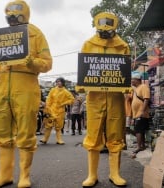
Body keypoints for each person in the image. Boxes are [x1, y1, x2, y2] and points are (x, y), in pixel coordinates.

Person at [0, 0, 52, 187]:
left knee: (25, 130)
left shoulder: (35, 33)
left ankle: (24, 175)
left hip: (26, 85)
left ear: (25, 13)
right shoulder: (2, 36)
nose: (11, 17)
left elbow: (47, 63)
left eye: (16, 14)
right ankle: (5, 175)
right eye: (9, 14)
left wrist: (32, 62)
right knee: (1, 129)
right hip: (2, 86)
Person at [81, 12, 130, 187]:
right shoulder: (88, 44)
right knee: (93, 134)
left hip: (115, 97)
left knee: (116, 134)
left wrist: (126, 83)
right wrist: (81, 84)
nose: (104, 33)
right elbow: (84, 67)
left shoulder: (122, 46)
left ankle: (115, 174)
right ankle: (91, 175)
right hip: (95, 97)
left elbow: (126, 69)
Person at [39, 77, 74, 145]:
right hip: (52, 110)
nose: (58, 83)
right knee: (49, 124)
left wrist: (63, 103)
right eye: (57, 81)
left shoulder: (66, 91)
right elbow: (49, 99)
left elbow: (72, 99)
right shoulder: (53, 90)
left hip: (60, 110)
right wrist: (47, 107)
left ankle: (59, 139)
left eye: (59, 81)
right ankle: (45, 139)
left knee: (58, 126)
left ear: (62, 82)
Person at [130, 71, 150, 157]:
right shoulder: (136, 89)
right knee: (139, 130)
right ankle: (142, 145)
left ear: (137, 80)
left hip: (141, 113)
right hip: (137, 114)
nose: (131, 81)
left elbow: (146, 99)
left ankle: (139, 146)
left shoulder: (143, 87)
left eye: (132, 79)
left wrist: (142, 111)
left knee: (138, 130)